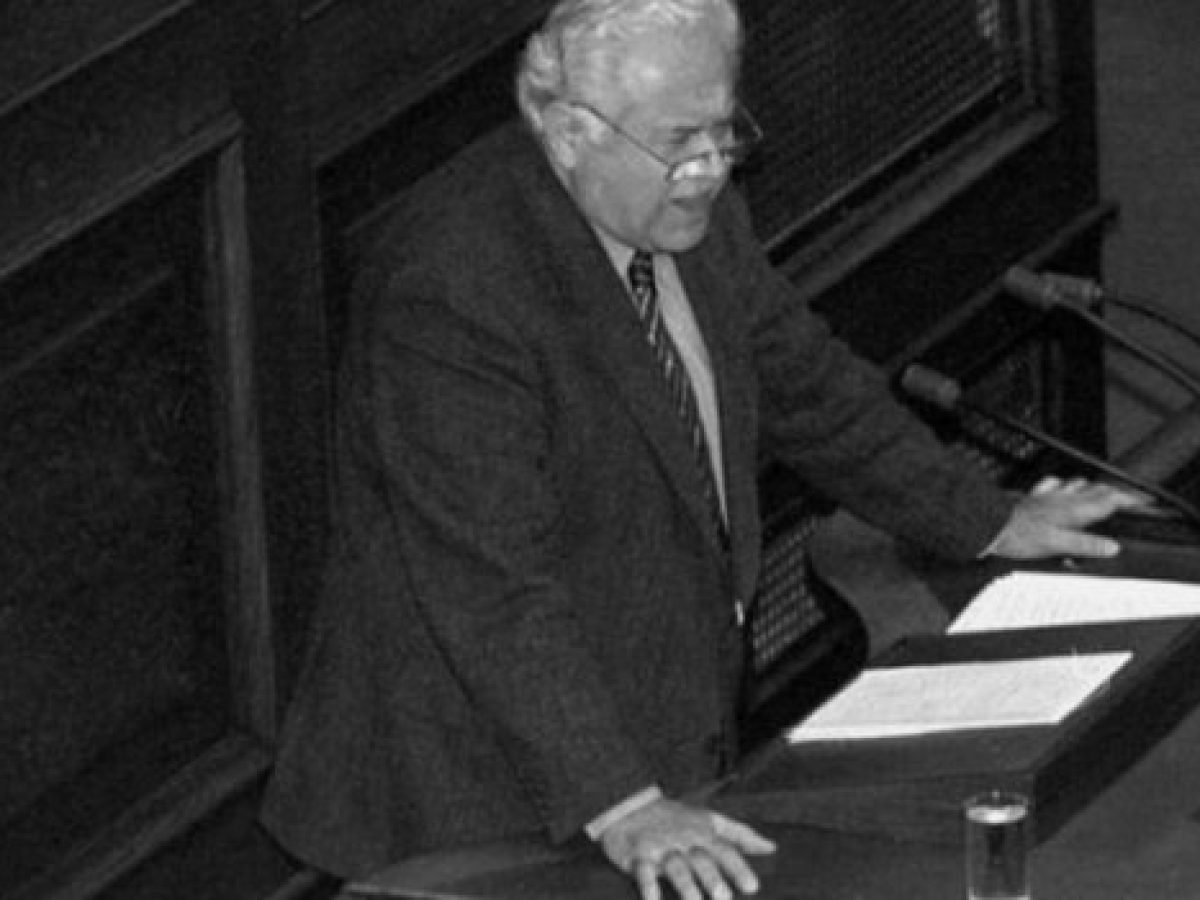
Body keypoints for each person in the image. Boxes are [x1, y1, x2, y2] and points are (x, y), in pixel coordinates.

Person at [261, 2, 1140, 898]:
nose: (710, 169)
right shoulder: (453, 289)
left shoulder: (693, 213)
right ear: (567, 131)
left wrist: (986, 519)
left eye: (724, 132)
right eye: (680, 141)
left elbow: (809, 388)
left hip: (654, 741)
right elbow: (492, 585)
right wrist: (623, 803)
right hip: (474, 805)